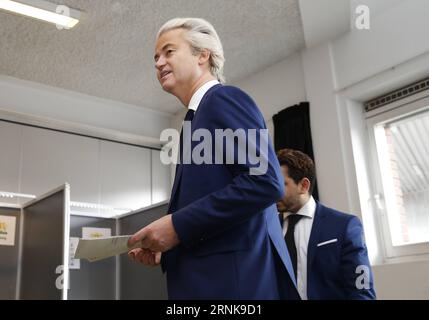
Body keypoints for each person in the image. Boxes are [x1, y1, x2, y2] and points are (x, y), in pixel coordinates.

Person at [126, 17, 299, 300]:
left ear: (202, 55)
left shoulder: (224, 99)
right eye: (155, 57)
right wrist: (168, 245)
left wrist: (177, 226)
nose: (158, 63)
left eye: (168, 52)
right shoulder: (195, 120)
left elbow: (264, 182)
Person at [276, 148, 376, 300]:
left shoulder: (344, 226)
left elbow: (361, 291)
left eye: (281, 184)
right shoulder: (267, 229)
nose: (274, 191)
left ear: (304, 185)